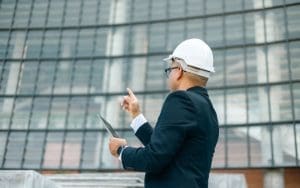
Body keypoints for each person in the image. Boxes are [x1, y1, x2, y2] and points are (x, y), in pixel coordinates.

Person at [109, 38, 219, 188]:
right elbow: (165, 149)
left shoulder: (180, 99)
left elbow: (154, 158)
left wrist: (121, 151)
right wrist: (136, 116)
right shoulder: (208, 109)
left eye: (170, 69)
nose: (170, 74)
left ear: (179, 70)